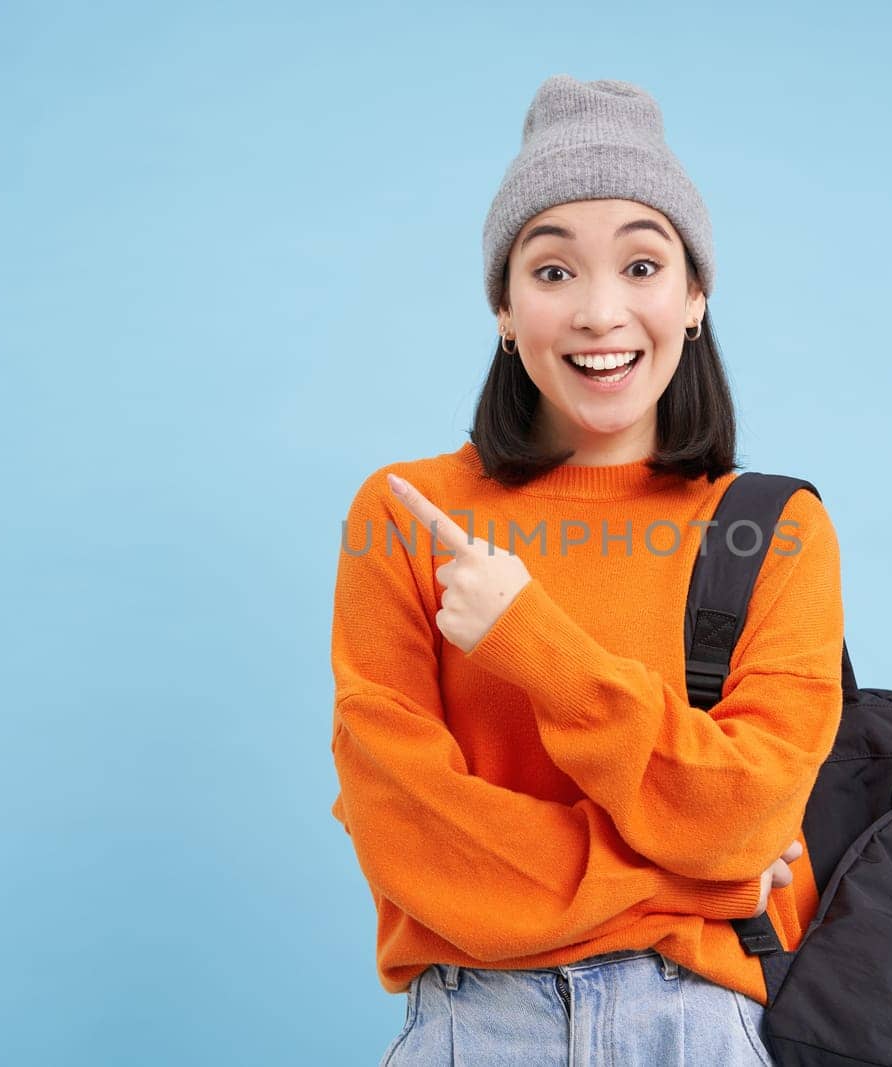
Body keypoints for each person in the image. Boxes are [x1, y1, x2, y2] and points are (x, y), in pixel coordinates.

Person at [329, 73, 844, 1066]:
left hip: (695, 1029)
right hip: (474, 1025)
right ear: (504, 308)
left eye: (643, 266)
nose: (600, 312)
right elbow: (408, 832)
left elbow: (745, 815)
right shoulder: (402, 514)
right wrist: (695, 884)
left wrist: (534, 643)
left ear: (694, 297)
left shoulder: (774, 528)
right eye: (554, 271)